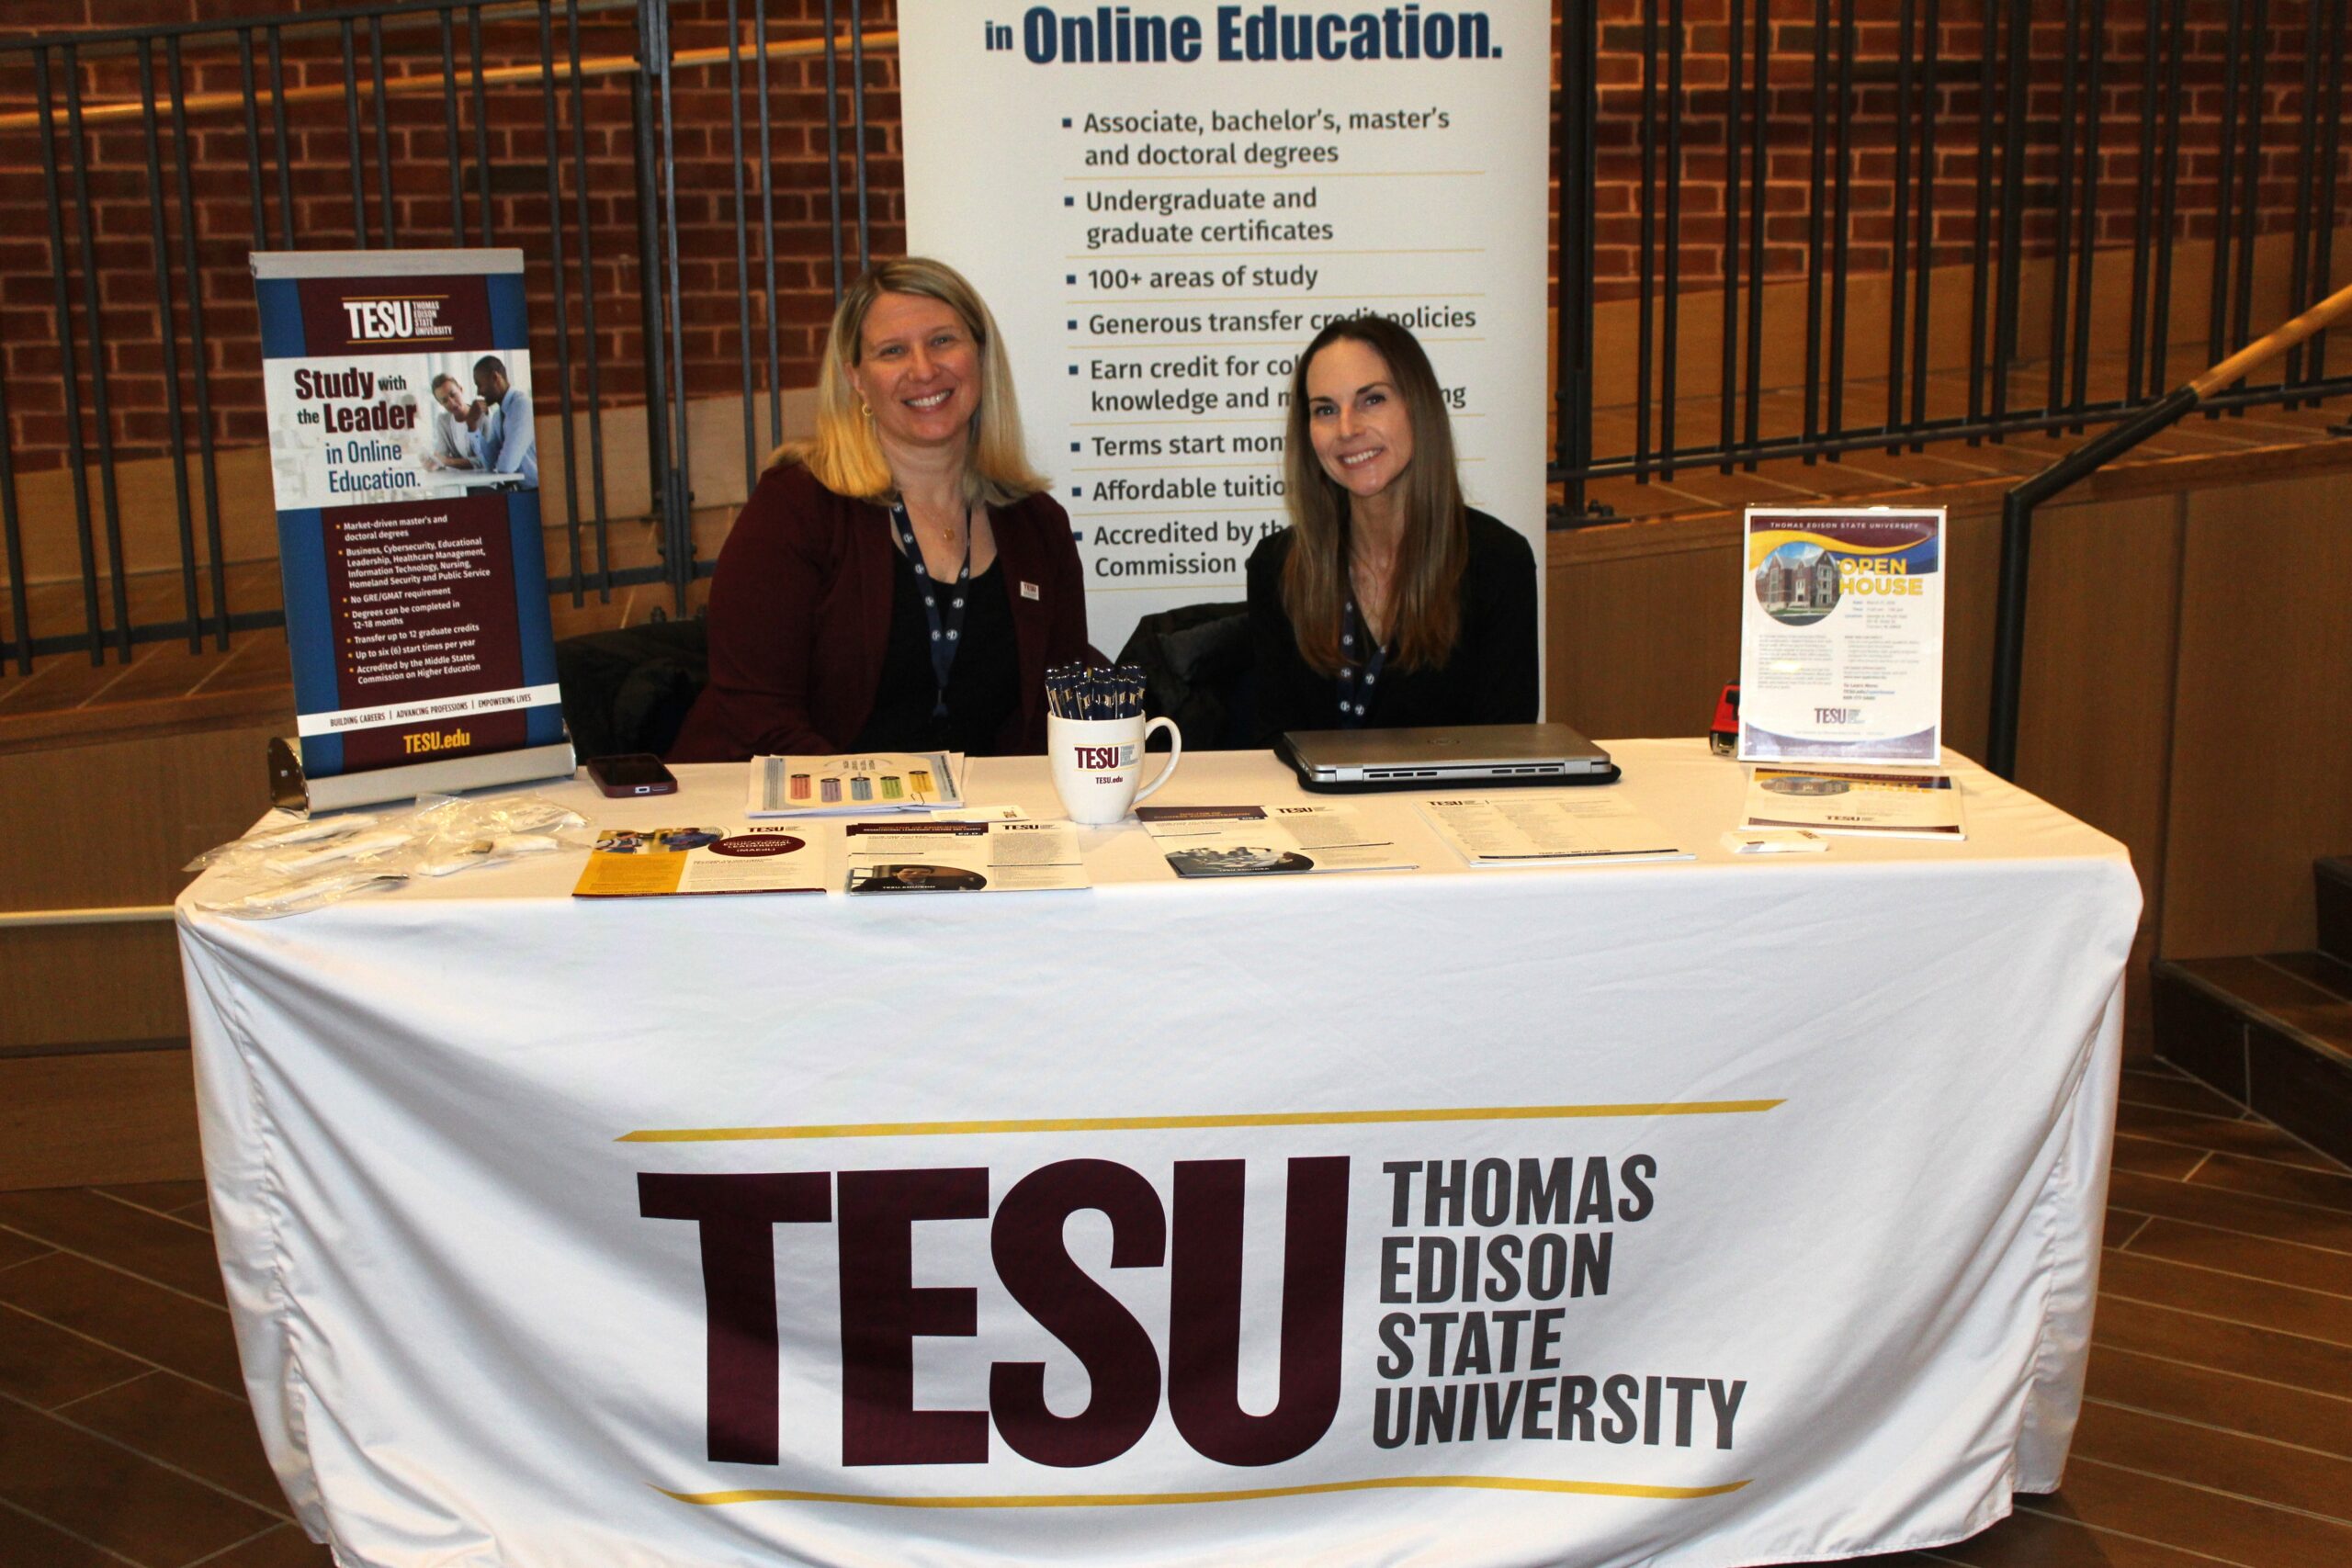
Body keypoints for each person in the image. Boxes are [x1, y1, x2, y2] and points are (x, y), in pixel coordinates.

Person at [669, 257, 1090, 761]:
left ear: (981, 356)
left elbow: (1063, 709)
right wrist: (881, 800)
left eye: (942, 341)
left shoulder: (1038, 525)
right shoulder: (797, 507)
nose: (923, 369)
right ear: (857, 379)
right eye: (893, 351)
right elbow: (756, 716)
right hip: (803, 800)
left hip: (981, 806)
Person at [1246, 316, 1536, 741]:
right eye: (1326, 409)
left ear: (1417, 407)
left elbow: (1508, 749)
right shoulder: (1278, 566)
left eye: (1372, 400)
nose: (1347, 428)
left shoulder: (1498, 562)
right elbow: (1270, 746)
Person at [470, 355, 537, 486]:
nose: (478, 392)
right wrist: (472, 425)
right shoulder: (498, 416)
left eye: (479, 385)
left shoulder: (522, 406)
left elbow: (507, 466)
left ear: (495, 377)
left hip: (537, 489)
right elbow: (489, 463)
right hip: (521, 490)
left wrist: (498, 462)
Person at [419, 373, 479, 471]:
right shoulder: (443, 421)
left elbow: (488, 459)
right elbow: (442, 455)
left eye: (453, 395)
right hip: (462, 478)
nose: (452, 402)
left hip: (487, 479)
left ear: (461, 389)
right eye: (445, 400)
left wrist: (450, 462)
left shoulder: (482, 416)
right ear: (440, 403)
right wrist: (434, 464)